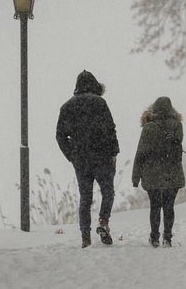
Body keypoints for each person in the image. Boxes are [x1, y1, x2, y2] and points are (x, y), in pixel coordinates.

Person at [56, 70, 119, 248]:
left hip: (81, 159)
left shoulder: (67, 107)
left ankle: (85, 235)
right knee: (108, 192)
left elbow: (60, 136)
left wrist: (72, 155)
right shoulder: (99, 102)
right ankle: (103, 221)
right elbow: (110, 129)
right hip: (102, 156)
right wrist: (113, 152)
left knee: (85, 198)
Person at [132, 97, 185, 248]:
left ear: (153, 109)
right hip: (172, 171)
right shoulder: (177, 125)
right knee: (169, 206)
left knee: (155, 206)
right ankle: (167, 238)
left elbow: (140, 152)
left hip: (152, 172)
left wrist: (136, 176)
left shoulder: (148, 127)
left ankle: (154, 237)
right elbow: (178, 144)